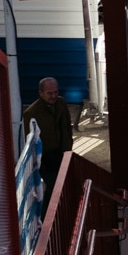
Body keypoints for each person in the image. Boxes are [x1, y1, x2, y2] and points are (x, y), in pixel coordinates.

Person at [22, 77, 73, 212]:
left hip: (62, 153)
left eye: (56, 92)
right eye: (50, 93)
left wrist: (68, 150)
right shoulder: (31, 113)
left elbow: (67, 128)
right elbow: (31, 141)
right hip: (45, 158)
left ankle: (60, 211)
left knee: (64, 184)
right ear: (41, 93)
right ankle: (46, 216)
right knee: (52, 187)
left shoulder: (61, 103)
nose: (54, 96)